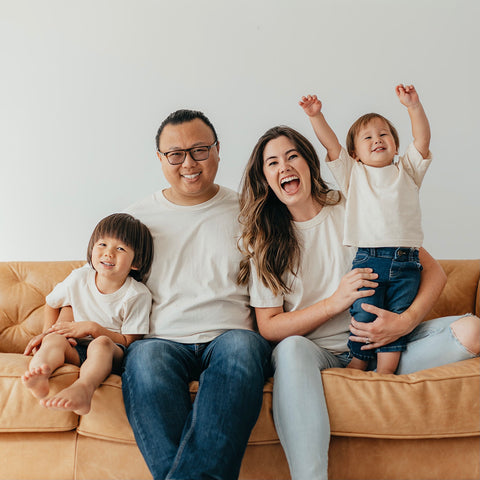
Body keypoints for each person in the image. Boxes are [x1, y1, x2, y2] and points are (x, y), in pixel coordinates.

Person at [238, 124, 480, 480]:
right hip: (316, 354)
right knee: (290, 349)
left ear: (309, 163)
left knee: (472, 330)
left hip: (387, 344)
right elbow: (269, 327)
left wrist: (403, 323)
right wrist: (336, 302)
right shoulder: (265, 242)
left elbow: (435, 273)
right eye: (272, 163)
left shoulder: (354, 204)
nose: (284, 167)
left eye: (292, 156)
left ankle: (376, 364)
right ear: (266, 179)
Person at [122, 109, 272, 480]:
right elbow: (104, 280)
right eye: (175, 154)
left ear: (218, 151)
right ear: (160, 159)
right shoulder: (138, 218)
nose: (188, 163)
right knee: (142, 360)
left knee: (244, 348)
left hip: (230, 336)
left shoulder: (249, 211)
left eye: (200, 150)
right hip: (161, 339)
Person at [299, 84, 431, 374]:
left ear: (396, 146)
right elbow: (332, 146)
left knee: (394, 318)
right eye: (368, 137)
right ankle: (358, 362)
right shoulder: (354, 175)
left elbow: (421, 139)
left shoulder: (407, 171)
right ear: (355, 154)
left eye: (384, 135)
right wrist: (315, 116)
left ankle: (384, 375)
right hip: (368, 260)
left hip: (408, 261)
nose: (377, 140)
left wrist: (413, 107)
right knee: (363, 313)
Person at [22, 213, 153, 415]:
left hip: (111, 352)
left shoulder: (137, 294)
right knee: (54, 341)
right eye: (102, 244)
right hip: (76, 348)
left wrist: (93, 329)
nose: (108, 253)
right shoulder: (79, 277)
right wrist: (49, 332)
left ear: (136, 262)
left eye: (120, 248)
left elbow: (129, 341)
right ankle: (40, 373)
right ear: (92, 248)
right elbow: (51, 303)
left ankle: (84, 389)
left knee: (100, 344)